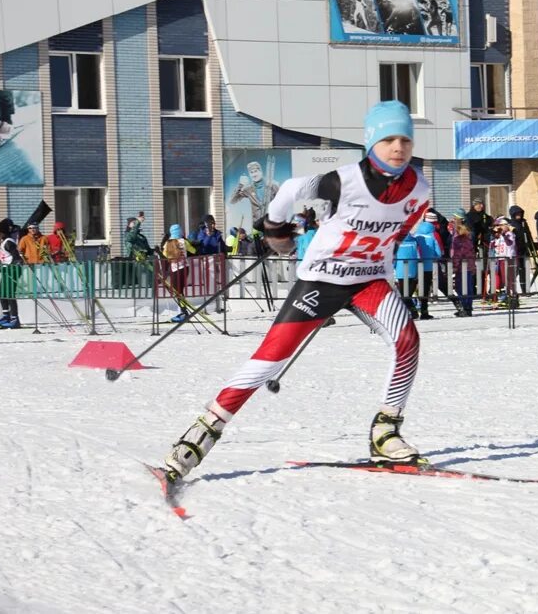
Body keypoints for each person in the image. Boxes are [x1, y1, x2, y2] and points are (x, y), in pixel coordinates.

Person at [159, 100, 430, 483]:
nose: (398, 147)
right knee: (271, 359)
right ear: (371, 142)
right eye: (388, 139)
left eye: (405, 138)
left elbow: (402, 226)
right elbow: (289, 188)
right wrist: (275, 228)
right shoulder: (343, 180)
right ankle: (201, 433)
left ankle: (386, 429)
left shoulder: (419, 188)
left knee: (407, 341)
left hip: (368, 280)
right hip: (322, 279)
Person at [162, 224, 196, 322]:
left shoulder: (167, 243)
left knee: (177, 291)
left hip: (175, 269)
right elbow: (193, 251)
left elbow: (164, 254)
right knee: (180, 291)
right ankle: (183, 311)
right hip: (185, 268)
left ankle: (183, 312)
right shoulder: (183, 241)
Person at [0, 218, 21, 328]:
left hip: (11, 271)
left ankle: (15, 319)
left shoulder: (9, 242)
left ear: (3, 232)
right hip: (5, 270)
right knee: (2, 292)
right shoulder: (3, 242)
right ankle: (6, 316)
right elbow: (4, 257)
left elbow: (16, 257)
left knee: (9, 294)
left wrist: (11, 268)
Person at [449, 209, 475, 317]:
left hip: (462, 265)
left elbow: (458, 253)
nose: (453, 220)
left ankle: (465, 308)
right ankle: (468, 307)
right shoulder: (468, 234)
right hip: (468, 264)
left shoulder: (459, 236)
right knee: (467, 286)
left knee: (461, 287)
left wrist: (454, 266)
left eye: (455, 218)